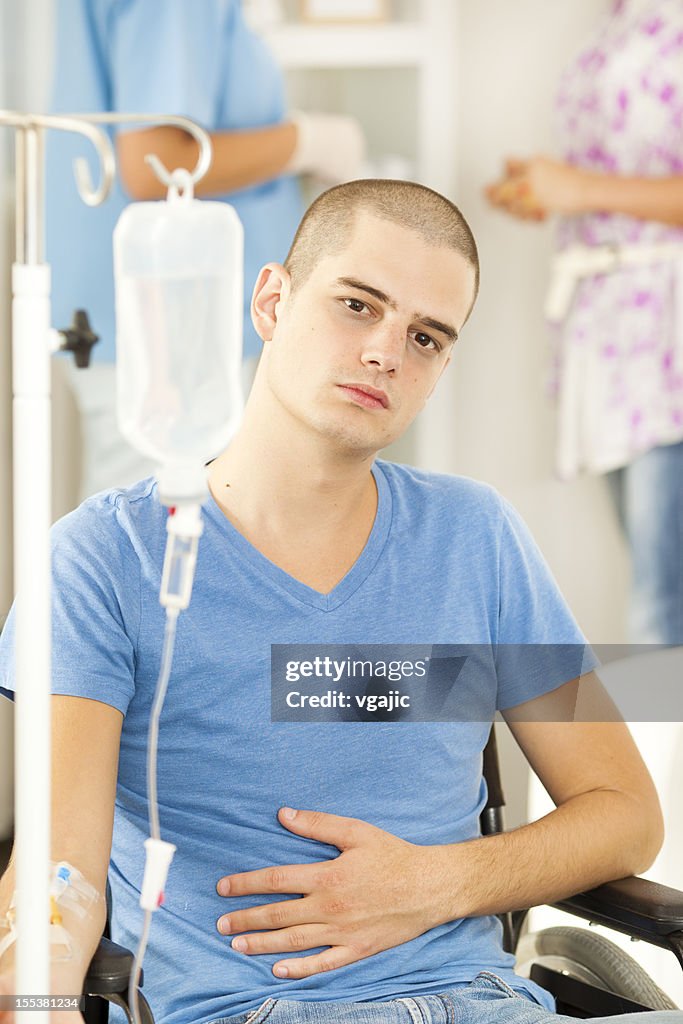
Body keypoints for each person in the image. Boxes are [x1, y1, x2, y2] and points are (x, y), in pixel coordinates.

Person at [0, 180, 676, 1024]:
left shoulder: (477, 538)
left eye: (425, 337)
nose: (386, 352)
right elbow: (56, 877)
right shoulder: (106, 560)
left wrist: (436, 883)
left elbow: (624, 815)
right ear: (273, 301)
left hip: (488, 1004)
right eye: (358, 305)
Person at [48, 0, 365, 499]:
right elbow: (156, 161)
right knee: (150, 537)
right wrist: (304, 143)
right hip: (170, 321)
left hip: (162, 318)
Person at [485, 0, 683, 645]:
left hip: (669, 340)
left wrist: (582, 190)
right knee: (657, 595)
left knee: (662, 610)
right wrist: (552, 191)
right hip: (618, 337)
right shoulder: (622, 15)